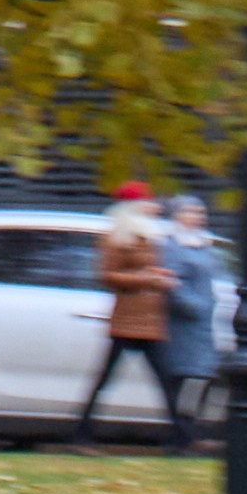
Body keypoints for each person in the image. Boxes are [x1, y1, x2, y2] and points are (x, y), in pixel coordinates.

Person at [73, 183, 194, 453]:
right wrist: (147, 279)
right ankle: (81, 434)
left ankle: (180, 438)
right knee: (109, 380)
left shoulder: (149, 234)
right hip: (128, 321)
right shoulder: (118, 236)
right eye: (148, 201)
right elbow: (107, 275)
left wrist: (159, 277)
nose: (155, 206)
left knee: (165, 380)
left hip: (151, 321)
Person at [162, 195, 221, 439]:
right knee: (184, 377)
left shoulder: (204, 245)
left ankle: (188, 428)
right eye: (190, 211)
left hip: (204, 326)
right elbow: (172, 283)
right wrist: (195, 305)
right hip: (182, 325)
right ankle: (181, 433)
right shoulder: (172, 246)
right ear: (176, 215)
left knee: (204, 375)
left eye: (200, 212)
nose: (197, 216)